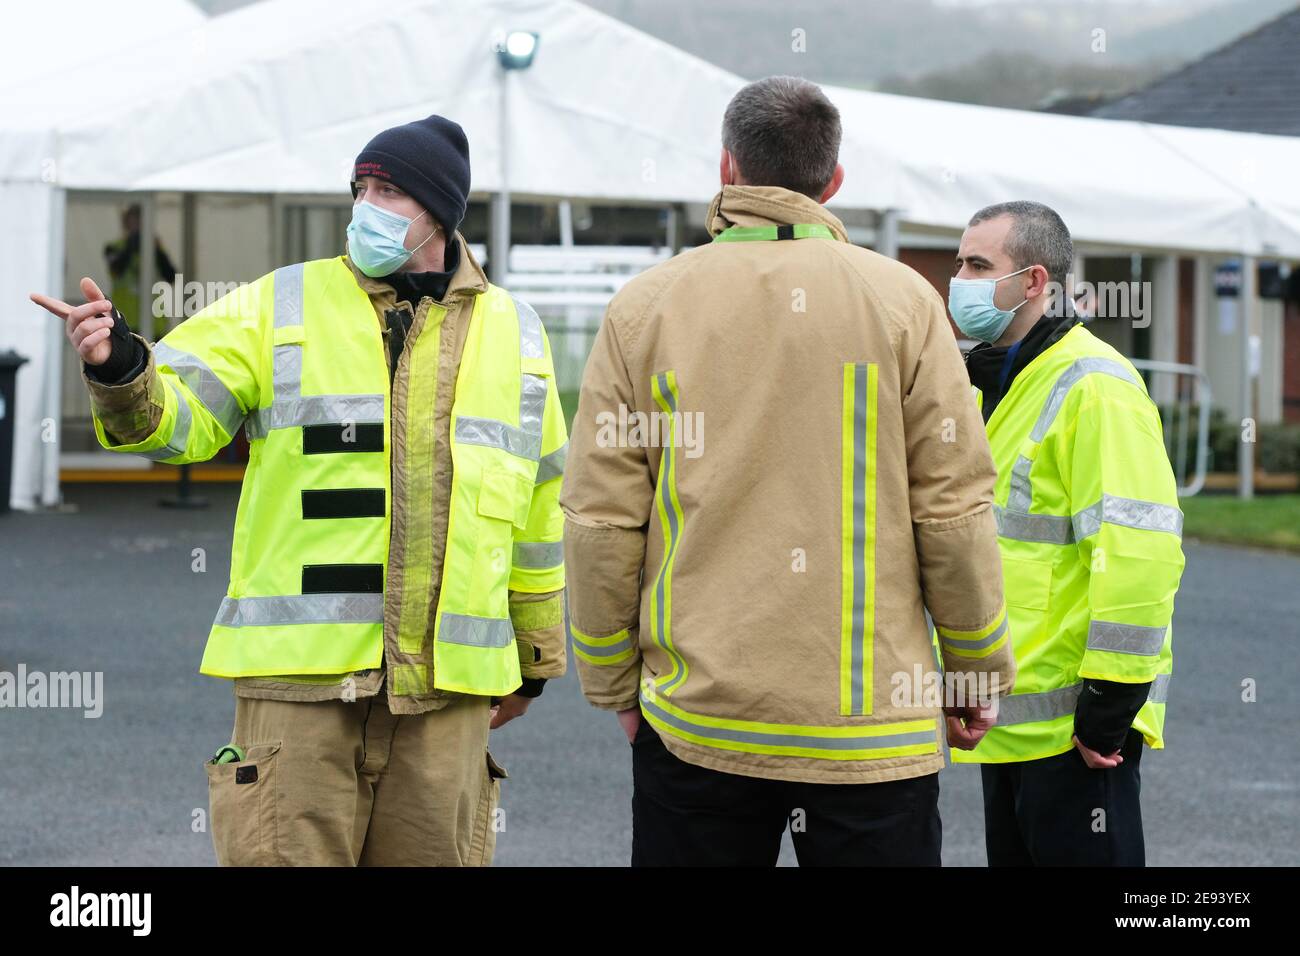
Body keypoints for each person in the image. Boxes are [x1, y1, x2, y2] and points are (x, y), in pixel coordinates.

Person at [32, 114, 569, 867]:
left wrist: (535, 660)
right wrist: (122, 366)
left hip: (447, 700)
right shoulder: (280, 303)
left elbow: (541, 509)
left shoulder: (518, 333)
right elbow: (178, 420)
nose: (366, 206)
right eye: (362, 187)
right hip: (300, 696)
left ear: (441, 214)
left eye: (390, 191)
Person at [560, 76, 1015, 867]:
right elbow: (953, 513)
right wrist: (975, 670)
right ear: (833, 182)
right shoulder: (905, 303)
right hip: (872, 731)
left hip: (700, 724)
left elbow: (602, 519)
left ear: (727, 169)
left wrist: (612, 682)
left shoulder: (646, 309)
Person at [949, 200, 1183, 866]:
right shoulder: (992, 385)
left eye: (976, 264)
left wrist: (1110, 701)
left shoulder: (1096, 387)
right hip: (1012, 721)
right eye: (958, 262)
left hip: (1078, 729)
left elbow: (1139, 550)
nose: (958, 281)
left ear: (1033, 283)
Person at [102, 203, 178, 334]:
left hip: (154, 322)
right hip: (126, 322)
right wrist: (131, 244)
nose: (137, 229)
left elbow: (171, 276)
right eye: (134, 224)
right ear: (126, 224)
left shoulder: (155, 248)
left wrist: (157, 250)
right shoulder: (114, 247)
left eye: (141, 224)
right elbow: (116, 270)